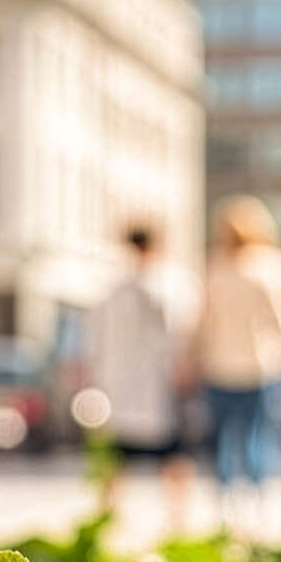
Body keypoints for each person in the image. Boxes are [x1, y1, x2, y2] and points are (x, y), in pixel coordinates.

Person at [195, 195, 281, 536]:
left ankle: (226, 506)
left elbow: (201, 322)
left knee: (225, 438)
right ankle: (257, 504)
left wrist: (194, 357)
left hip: (220, 365)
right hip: (265, 365)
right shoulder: (275, 266)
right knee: (261, 436)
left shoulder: (215, 267)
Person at [85, 223, 192, 529]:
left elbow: (95, 338)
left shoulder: (116, 288)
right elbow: (180, 333)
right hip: (144, 387)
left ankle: (110, 521)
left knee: (126, 459)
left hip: (136, 387)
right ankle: (173, 523)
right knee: (155, 458)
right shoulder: (166, 285)